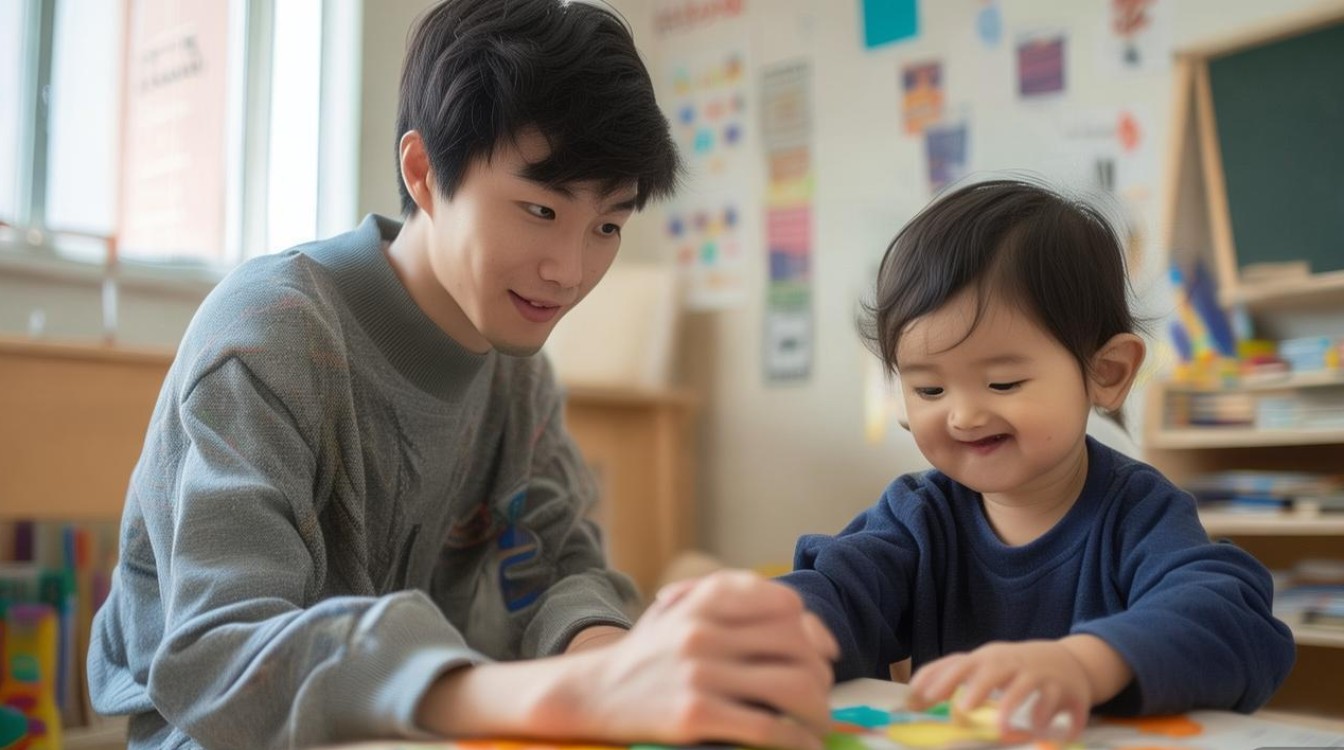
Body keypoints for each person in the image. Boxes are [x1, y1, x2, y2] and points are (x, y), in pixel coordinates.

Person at [88, 1, 836, 748]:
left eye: (608, 225)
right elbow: (222, 659)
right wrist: (560, 696)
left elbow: (561, 571)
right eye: (539, 210)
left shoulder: (520, 379)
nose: (570, 271)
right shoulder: (269, 335)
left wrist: (621, 667)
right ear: (422, 172)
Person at [778, 179, 1295, 740]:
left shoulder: (1140, 513)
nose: (964, 417)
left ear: (1107, 373)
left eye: (1002, 382)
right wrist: (768, 628)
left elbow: (1234, 622)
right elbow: (837, 590)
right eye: (929, 390)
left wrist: (1086, 664)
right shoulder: (915, 517)